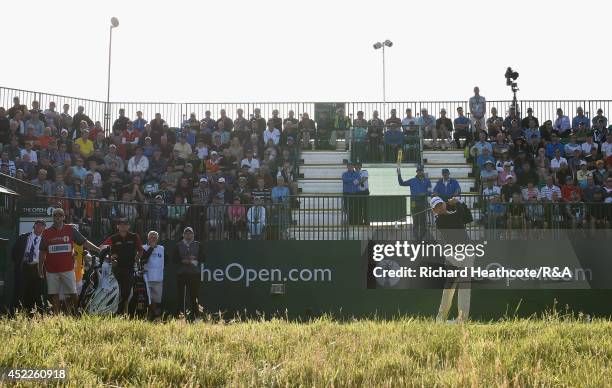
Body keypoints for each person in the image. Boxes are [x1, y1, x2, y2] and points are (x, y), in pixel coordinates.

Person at [39, 208, 100, 315]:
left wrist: (98, 249)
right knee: (54, 294)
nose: (57, 218)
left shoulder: (70, 230)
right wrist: (40, 268)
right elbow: (42, 252)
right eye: (55, 216)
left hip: (67, 269)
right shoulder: (46, 233)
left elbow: (84, 242)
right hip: (51, 270)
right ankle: (57, 317)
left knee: (73, 293)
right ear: (53, 218)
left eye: (60, 215)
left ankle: (76, 314)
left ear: (63, 217)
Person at [431, 196, 473, 323]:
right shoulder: (440, 220)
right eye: (436, 207)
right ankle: (440, 319)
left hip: (468, 252)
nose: (439, 207)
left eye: (440, 204)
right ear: (434, 211)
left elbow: (468, 218)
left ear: (444, 203)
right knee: (449, 287)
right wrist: (457, 202)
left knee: (464, 287)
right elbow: (458, 215)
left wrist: (460, 204)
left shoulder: (453, 214)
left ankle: (462, 319)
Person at [101, 218, 144, 314]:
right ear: (117, 226)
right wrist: (111, 257)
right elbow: (102, 248)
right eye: (120, 224)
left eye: (125, 224)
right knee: (116, 291)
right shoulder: (113, 238)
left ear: (129, 226)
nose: (123, 226)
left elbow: (140, 250)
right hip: (116, 269)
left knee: (126, 292)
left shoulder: (134, 237)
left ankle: (121, 312)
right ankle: (116, 312)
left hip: (129, 268)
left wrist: (137, 259)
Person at [11, 219, 46, 313]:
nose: (39, 227)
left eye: (41, 225)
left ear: (44, 228)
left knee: (36, 293)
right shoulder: (23, 237)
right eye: (37, 224)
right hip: (24, 268)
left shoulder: (45, 240)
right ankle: (17, 314)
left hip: (38, 269)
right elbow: (14, 253)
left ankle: (34, 315)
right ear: (34, 226)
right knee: (20, 292)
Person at [175, 227, 205, 320]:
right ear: (183, 235)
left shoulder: (198, 244)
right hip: (182, 274)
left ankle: (196, 317)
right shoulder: (178, 245)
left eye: (190, 233)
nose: (188, 235)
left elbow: (203, 258)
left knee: (194, 296)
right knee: (181, 297)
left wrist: (195, 259)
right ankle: (181, 317)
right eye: (186, 233)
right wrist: (182, 261)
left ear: (193, 235)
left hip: (194, 274)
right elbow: (174, 259)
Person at [397, 165, 432, 240]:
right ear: (417, 172)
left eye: (421, 171)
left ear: (423, 171)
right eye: (418, 171)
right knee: (415, 218)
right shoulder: (412, 180)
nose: (420, 172)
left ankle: (423, 235)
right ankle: (416, 236)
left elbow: (429, 192)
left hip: (423, 202)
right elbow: (401, 183)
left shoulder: (427, 180)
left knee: (423, 219)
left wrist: (425, 194)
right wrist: (399, 174)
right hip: (413, 202)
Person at [142, 231, 166, 320]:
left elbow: (164, 261)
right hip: (146, 278)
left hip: (158, 279)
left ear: (157, 238)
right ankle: (152, 316)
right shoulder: (143, 248)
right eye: (151, 236)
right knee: (148, 299)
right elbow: (143, 259)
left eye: (155, 237)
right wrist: (151, 248)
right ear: (148, 238)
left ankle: (156, 317)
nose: (153, 238)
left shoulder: (162, 249)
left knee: (157, 300)